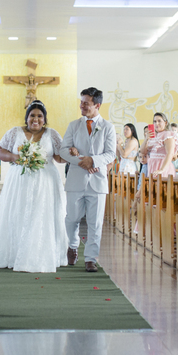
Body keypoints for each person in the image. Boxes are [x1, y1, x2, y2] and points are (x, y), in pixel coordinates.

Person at [0, 101, 66, 271]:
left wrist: (72, 154)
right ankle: (14, 253)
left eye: (40, 116)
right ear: (27, 117)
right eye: (32, 115)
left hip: (46, 183)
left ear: (45, 119)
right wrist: (14, 157)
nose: (36, 119)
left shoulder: (52, 134)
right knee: (18, 212)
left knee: (41, 214)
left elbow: (59, 157)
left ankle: (40, 255)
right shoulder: (15, 132)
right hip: (19, 181)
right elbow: (0, 150)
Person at [59, 88, 117, 272]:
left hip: (98, 181)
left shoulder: (108, 127)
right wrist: (81, 161)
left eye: (86, 103)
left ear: (97, 105)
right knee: (72, 218)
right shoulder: (74, 125)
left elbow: (111, 153)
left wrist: (93, 161)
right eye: (81, 102)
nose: (81, 106)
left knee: (95, 222)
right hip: (76, 179)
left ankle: (91, 258)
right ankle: (72, 246)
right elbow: (63, 150)